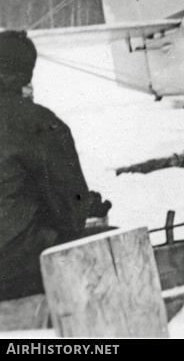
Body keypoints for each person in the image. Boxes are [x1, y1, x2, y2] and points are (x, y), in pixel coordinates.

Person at [0, 30, 107, 301]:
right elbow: (71, 214)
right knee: (114, 248)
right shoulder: (41, 123)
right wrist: (87, 204)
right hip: (17, 272)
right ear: (27, 73)